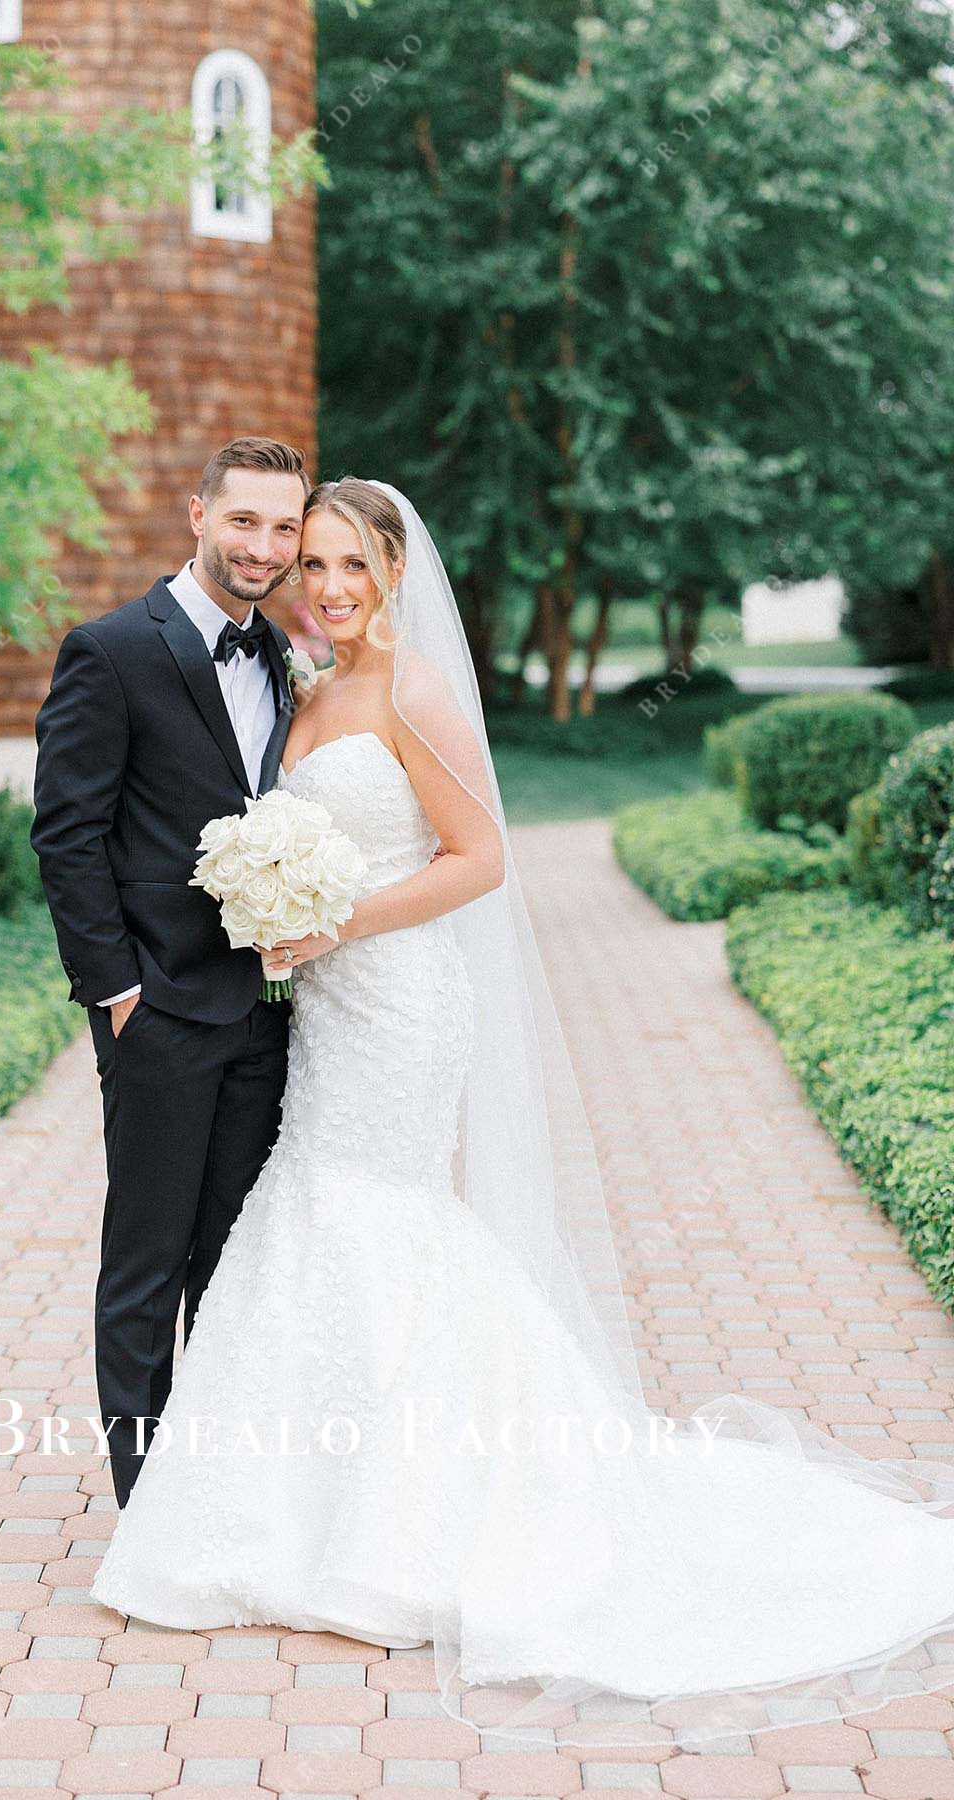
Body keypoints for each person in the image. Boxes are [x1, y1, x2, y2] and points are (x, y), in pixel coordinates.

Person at [87, 476, 954, 1751]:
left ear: (391, 570)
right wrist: (280, 923)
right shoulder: (303, 684)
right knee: (315, 1211)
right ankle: (299, 1507)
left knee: (375, 1212)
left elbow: (479, 856)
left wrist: (334, 920)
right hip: (320, 1005)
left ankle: (412, 1519)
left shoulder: (414, 690)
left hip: (397, 998)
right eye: (311, 562)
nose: (325, 585)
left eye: (349, 564)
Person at [30, 436, 309, 1511]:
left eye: (285, 527)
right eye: (246, 520)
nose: (266, 546)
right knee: (146, 1263)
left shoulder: (282, 653)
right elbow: (68, 834)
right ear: (198, 514)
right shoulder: (111, 650)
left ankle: (217, 1481)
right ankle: (144, 1502)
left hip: (266, 1009)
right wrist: (119, 992)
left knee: (231, 1260)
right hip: (159, 1010)